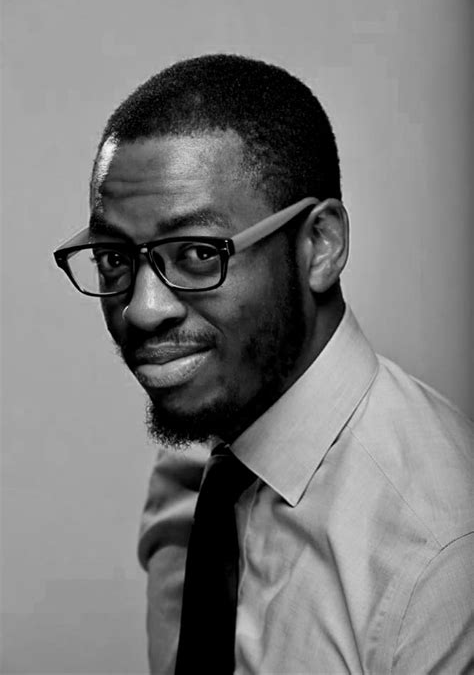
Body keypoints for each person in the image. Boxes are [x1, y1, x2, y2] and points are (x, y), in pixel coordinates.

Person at [54, 54, 473, 674]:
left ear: (321, 245)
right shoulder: (200, 462)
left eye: (198, 252)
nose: (142, 310)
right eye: (114, 259)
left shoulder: (438, 563)